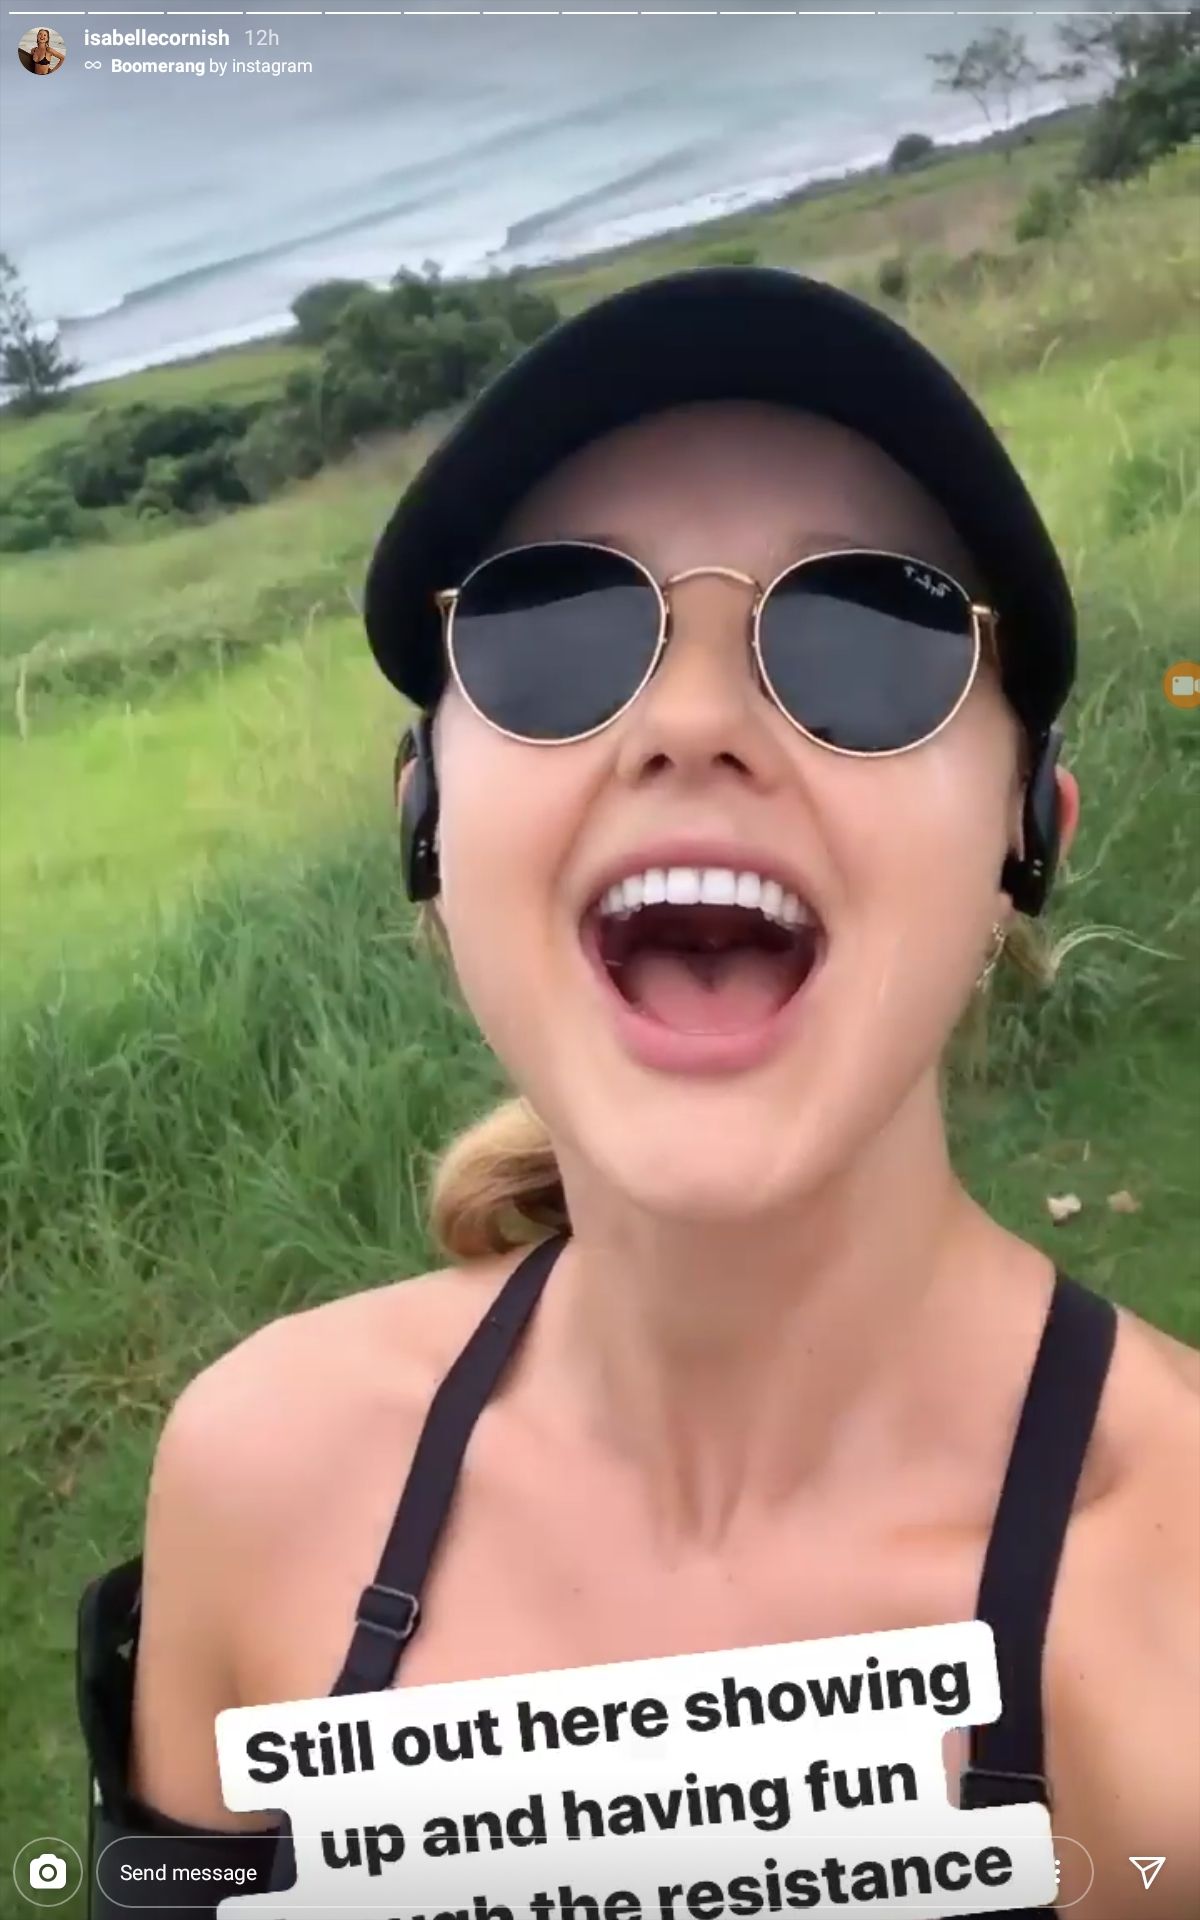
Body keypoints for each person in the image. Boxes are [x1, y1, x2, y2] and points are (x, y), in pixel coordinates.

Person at [78, 267, 1199, 1919]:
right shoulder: (253, 1477)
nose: (689, 721)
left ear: (1024, 839)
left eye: (869, 632)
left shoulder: (1172, 1617)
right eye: (552, 629)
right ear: (426, 824)